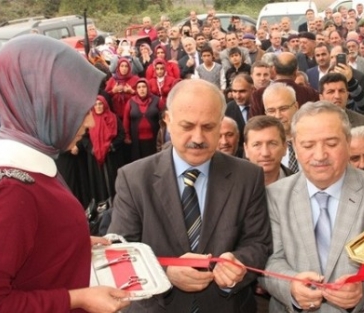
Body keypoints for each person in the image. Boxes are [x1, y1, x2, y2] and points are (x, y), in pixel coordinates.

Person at [0, 35, 130, 313]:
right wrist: (77, 298)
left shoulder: (14, 156)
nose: (92, 120)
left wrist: (69, 245)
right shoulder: (11, 190)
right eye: (79, 109)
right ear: (45, 103)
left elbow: (27, 242)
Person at [108, 79, 272, 313]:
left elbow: (259, 243)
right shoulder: (133, 178)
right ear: (167, 121)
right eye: (187, 126)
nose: (198, 138)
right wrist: (165, 274)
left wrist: (237, 264)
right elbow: (120, 256)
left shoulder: (247, 176)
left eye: (208, 127)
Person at [260, 101, 364, 312]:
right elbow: (269, 261)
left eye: (331, 143)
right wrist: (291, 286)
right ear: (295, 146)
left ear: (348, 141)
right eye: (308, 145)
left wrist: (363, 293)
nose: (320, 155)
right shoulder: (275, 196)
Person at [77, 96, 126, 204]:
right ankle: (102, 203)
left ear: (105, 105)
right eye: (96, 104)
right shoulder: (89, 120)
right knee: (99, 181)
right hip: (95, 156)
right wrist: (92, 148)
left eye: (100, 104)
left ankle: (116, 201)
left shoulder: (113, 118)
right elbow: (84, 137)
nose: (98, 107)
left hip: (111, 155)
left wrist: (112, 146)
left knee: (112, 178)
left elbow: (121, 134)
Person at [243, 115, 292, 186]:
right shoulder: (232, 187)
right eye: (257, 145)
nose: (265, 153)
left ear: (285, 147)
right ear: (246, 149)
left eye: (272, 144)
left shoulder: (303, 186)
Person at [123, 79, 162, 161]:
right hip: (136, 141)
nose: (142, 89)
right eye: (139, 87)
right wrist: (127, 136)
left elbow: (164, 117)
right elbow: (126, 120)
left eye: (144, 87)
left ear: (148, 88)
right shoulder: (131, 102)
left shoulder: (157, 100)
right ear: (136, 90)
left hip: (154, 140)